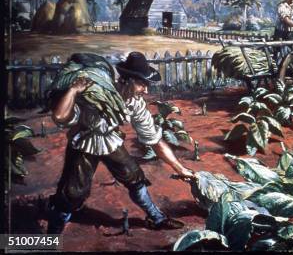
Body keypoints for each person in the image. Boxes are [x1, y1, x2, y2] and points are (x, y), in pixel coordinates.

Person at [47, 52, 196, 234]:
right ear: (128, 80)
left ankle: (156, 218)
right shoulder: (95, 94)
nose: (146, 90)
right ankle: (51, 238)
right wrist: (73, 90)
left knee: (135, 177)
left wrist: (180, 169)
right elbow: (60, 116)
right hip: (84, 143)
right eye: (142, 84)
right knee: (73, 193)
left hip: (110, 141)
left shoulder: (135, 103)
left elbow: (154, 140)